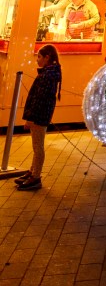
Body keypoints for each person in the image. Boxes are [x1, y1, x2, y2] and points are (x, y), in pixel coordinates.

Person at [15, 45, 62, 191]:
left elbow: (40, 99)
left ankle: (36, 176)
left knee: (38, 146)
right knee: (36, 146)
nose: (37, 60)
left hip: (39, 116)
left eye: (39, 57)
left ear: (47, 57)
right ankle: (33, 171)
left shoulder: (47, 75)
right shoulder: (49, 73)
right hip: (40, 115)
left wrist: (30, 118)